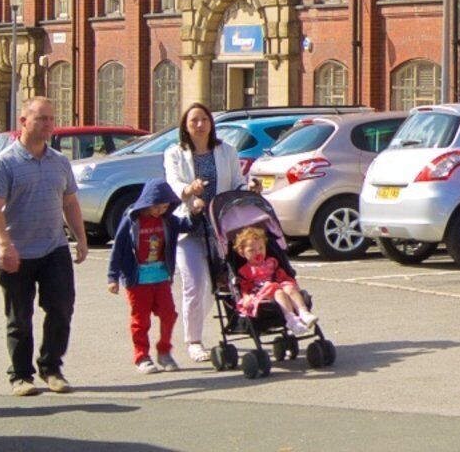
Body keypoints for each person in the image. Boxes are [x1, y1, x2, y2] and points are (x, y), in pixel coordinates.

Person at [0, 97, 87, 395]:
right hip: (15, 251)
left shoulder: (59, 161)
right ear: (23, 122)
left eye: (51, 119)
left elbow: (70, 201)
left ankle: (51, 367)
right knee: (20, 316)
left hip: (53, 247)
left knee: (61, 307)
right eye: (41, 119)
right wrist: (4, 245)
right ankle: (20, 376)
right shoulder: (4, 163)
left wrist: (80, 237)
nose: (49, 124)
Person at [159, 103, 229, 360]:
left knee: (215, 285)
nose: (199, 125)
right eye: (193, 121)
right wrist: (189, 192)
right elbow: (173, 183)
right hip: (188, 227)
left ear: (211, 123)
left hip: (219, 227)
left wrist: (250, 187)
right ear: (185, 127)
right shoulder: (175, 153)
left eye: (204, 120)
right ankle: (194, 341)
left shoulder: (226, 151)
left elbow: (236, 182)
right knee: (194, 284)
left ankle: (210, 326)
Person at [222, 220, 325, 348]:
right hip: (260, 294)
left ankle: (303, 312)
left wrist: (285, 281)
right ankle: (290, 318)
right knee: (278, 291)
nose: (258, 252)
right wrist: (247, 296)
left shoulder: (272, 261)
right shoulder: (245, 271)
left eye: (261, 248)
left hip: (276, 285)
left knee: (289, 287)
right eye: (252, 250)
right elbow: (245, 287)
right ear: (242, 253)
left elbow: (280, 274)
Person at [107, 197, 179, 371]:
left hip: (161, 277)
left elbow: (188, 225)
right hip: (138, 280)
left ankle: (164, 351)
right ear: (147, 201)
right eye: (156, 206)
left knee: (169, 314)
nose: (159, 211)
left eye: (164, 207)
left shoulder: (168, 220)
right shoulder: (131, 220)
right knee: (141, 320)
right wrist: (112, 277)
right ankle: (142, 356)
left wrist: (195, 212)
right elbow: (118, 248)